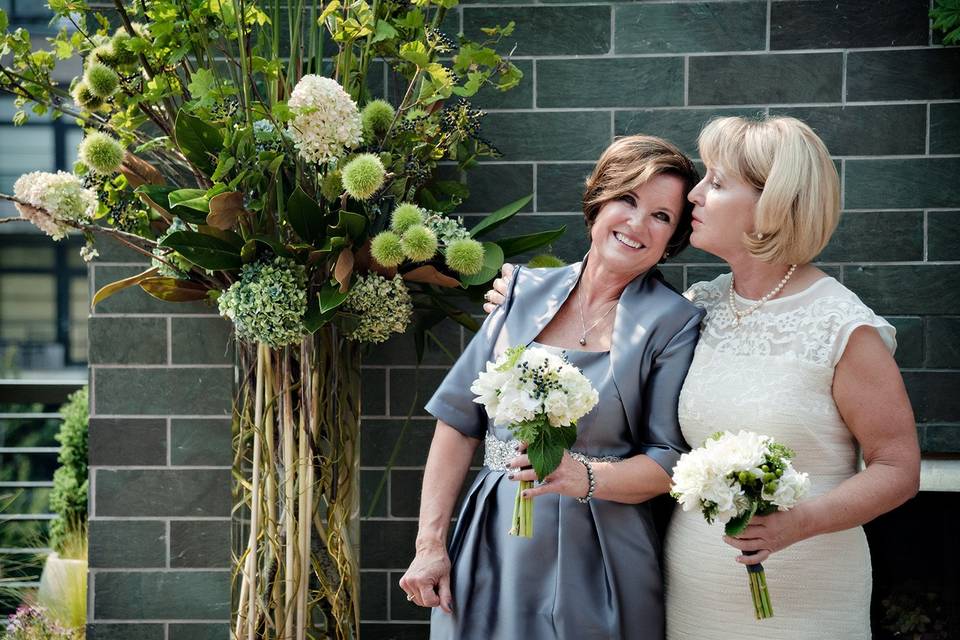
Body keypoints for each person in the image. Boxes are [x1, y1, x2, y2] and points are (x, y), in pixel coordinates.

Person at [486, 116, 921, 639]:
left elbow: (898, 467)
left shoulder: (842, 326)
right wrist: (524, 299)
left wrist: (800, 522)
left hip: (804, 594)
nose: (694, 194)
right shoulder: (700, 307)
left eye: (716, 183)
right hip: (690, 591)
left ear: (771, 205)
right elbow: (599, 334)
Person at [399, 135, 704, 639]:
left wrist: (582, 476)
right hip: (494, 536)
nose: (636, 224)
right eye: (627, 199)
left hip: (603, 545)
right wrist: (430, 544)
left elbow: (669, 459)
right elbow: (458, 420)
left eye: (661, 216)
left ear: (672, 239)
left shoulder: (674, 322)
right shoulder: (519, 289)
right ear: (598, 200)